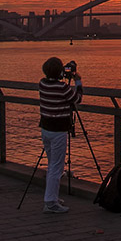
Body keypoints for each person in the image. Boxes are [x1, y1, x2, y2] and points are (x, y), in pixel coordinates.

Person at [38, 57, 82, 214]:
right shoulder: (62, 87)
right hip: (58, 131)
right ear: (60, 72)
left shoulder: (42, 84)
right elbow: (77, 99)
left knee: (52, 164)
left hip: (45, 128)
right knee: (57, 167)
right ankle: (50, 202)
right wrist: (78, 82)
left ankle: (52, 197)